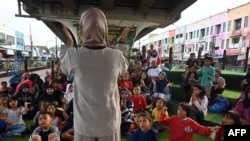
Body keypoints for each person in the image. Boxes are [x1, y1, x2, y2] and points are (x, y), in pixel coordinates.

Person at [60, 7, 128, 141]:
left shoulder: (74, 55)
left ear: (83, 29)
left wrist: (69, 43)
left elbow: (63, 68)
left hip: (84, 123)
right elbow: (124, 69)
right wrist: (121, 44)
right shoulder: (116, 55)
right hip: (109, 121)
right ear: (104, 29)